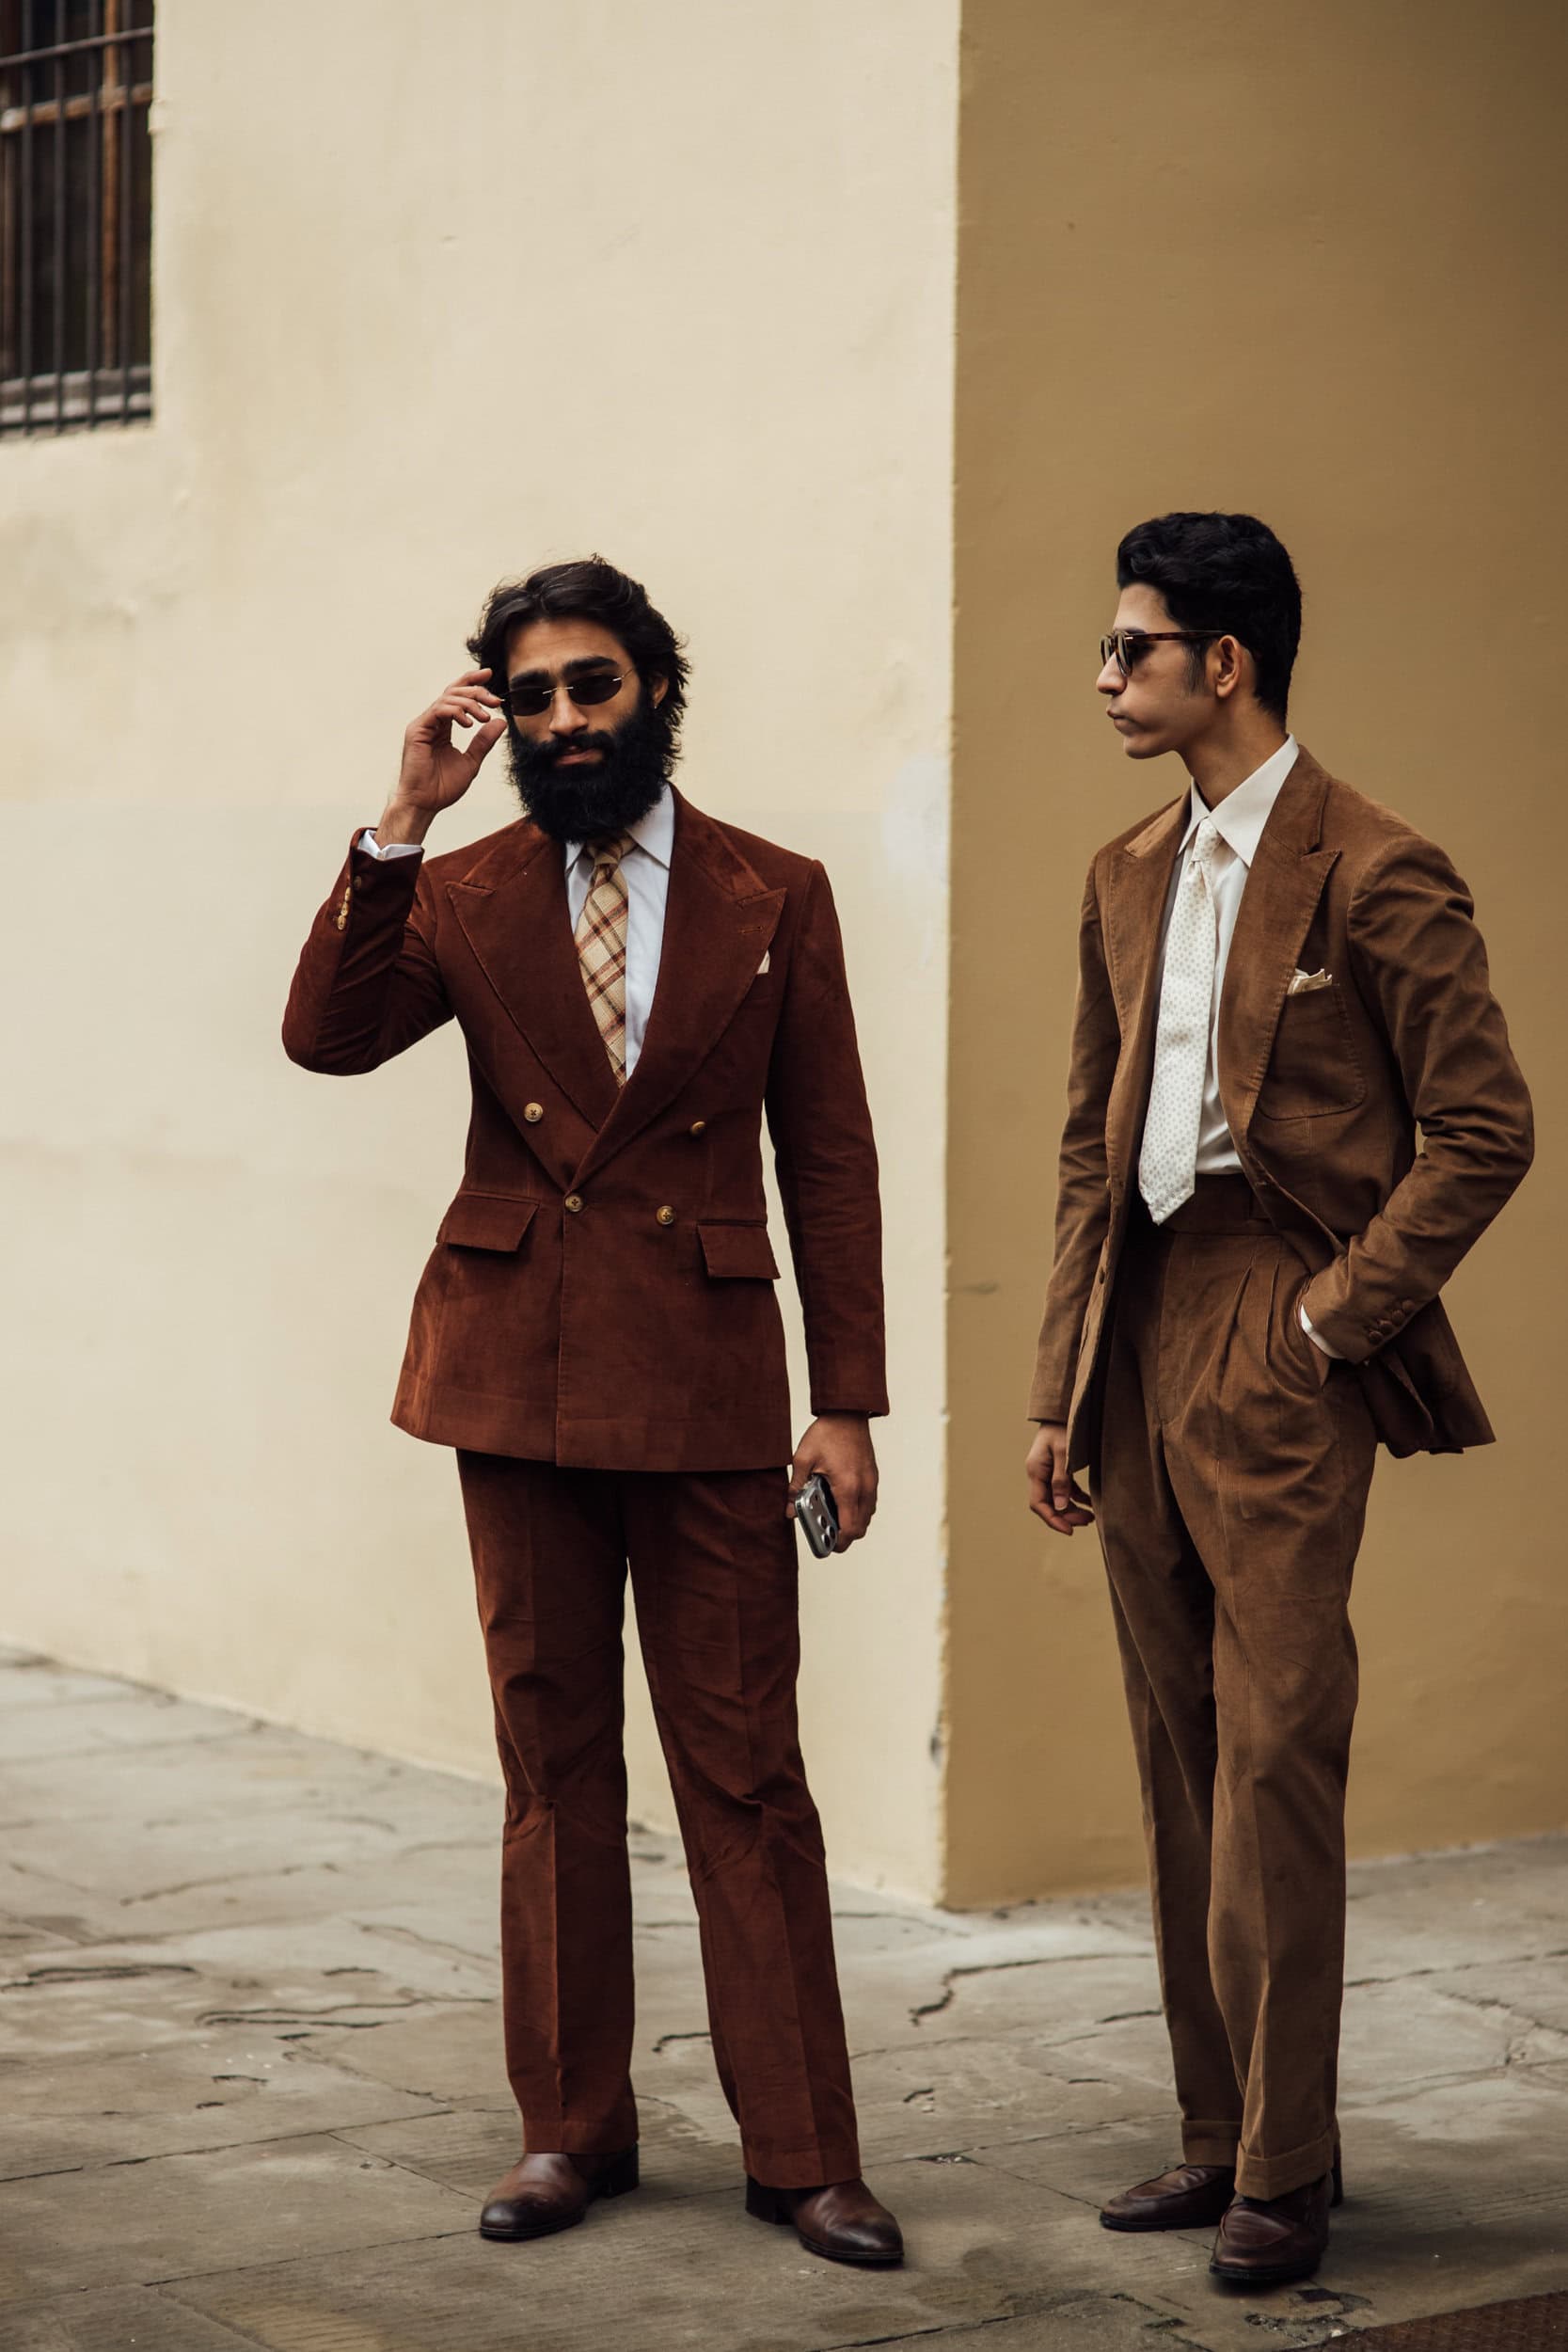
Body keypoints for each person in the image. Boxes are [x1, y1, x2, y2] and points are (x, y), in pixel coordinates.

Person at [284, 556, 902, 2268]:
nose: (565, 720)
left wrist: (848, 1402)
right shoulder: (462, 887)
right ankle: (569, 2132)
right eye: (535, 694)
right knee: (551, 1765)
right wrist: (402, 819)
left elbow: (830, 1158)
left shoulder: (777, 892)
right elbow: (327, 1039)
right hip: (519, 1376)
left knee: (747, 1772)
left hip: (708, 1385)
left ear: (655, 693)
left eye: (593, 686)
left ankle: (806, 2156)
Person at [1023, 513, 1532, 2287]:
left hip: (1275, 1315)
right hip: (1139, 1318)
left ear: (1223, 662)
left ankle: (1287, 2168)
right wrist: (1056, 1384)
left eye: (1132, 649)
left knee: (1276, 1747)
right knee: (1179, 1753)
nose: (1105, 677)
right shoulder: (1122, 871)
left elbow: (1486, 1129)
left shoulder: (1378, 867)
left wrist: (1327, 1324)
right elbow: (1089, 1147)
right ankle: (1213, 2131)